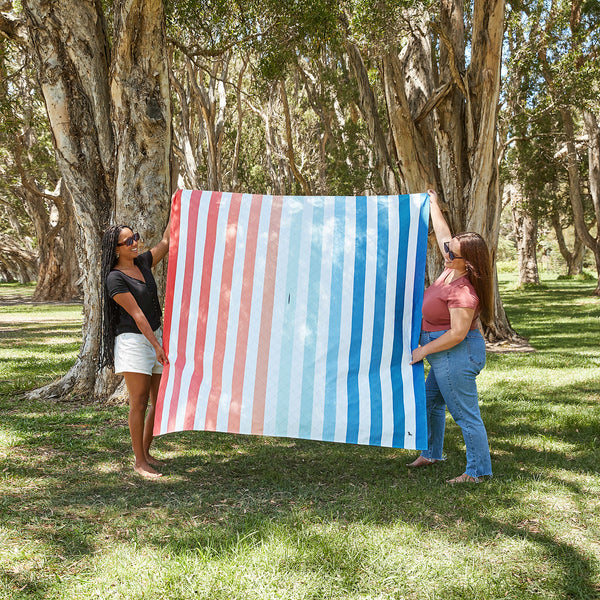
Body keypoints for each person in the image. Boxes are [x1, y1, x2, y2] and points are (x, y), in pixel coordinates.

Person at [408, 189, 493, 483]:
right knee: (431, 402)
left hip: (456, 353)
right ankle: (432, 452)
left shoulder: (464, 291)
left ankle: (477, 471)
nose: (446, 252)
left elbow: (457, 333)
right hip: (443, 353)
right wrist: (433, 204)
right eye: (448, 249)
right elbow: (444, 235)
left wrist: (422, 351)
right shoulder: (450, 270)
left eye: (451, 252)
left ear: (466, 262)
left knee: (465, 414)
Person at [99, 220, 170, 478]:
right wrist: (156, 346)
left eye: (135, 237)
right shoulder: (114, 278)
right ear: (116, 249)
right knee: (138, 402)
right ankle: (139, 461)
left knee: (157, 401)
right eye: (128, 241)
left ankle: (147, 453)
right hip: (134, 342)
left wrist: (178, 205)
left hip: (154, 337)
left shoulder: (142, 263)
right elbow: (138, 315)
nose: (135, 243)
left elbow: (166, 242)